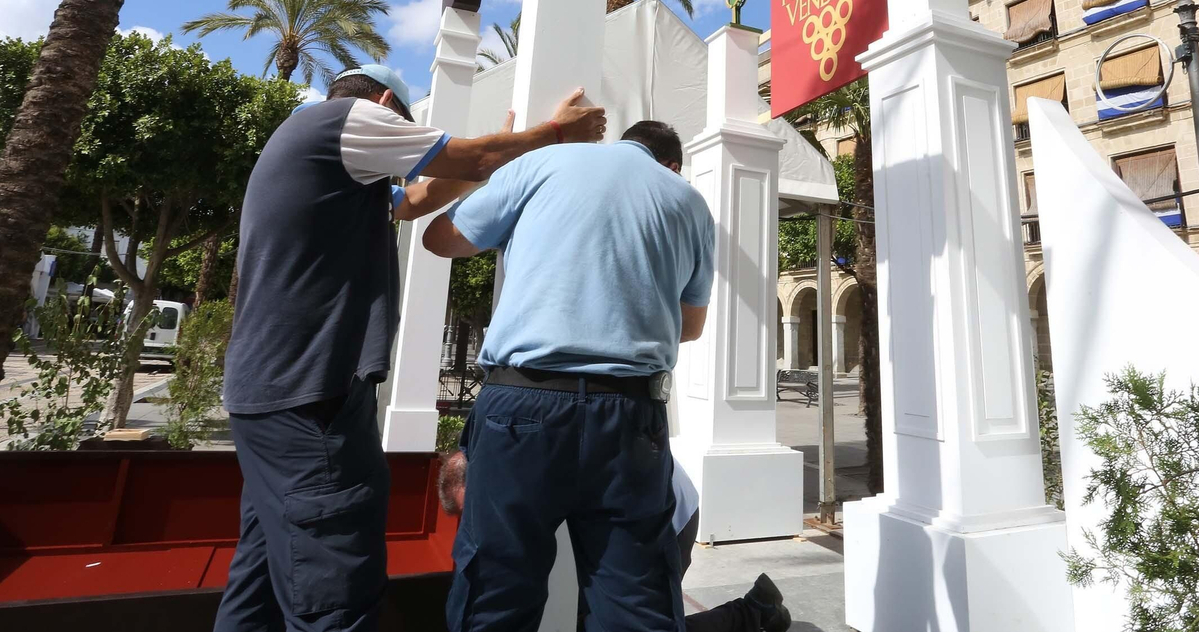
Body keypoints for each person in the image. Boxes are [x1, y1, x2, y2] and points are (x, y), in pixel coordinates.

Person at [213, 65, 606, 632]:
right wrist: (553, 132)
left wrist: (494, 157)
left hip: (272, 397)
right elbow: (466, 157)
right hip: (308, 398)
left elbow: (418, 198)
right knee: (334, 588)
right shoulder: (342, 120)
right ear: (383, 103)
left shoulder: (327, 165)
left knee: (261, 578)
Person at [423, 120, 714, 632]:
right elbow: (690, 327)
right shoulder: (687, 201)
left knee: (493, 593)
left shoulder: (538, 165)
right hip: (630, 414)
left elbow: (440, 239)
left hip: (522, 404)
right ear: (671, 165)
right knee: (635, 599)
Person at [436, 451, 792, 632]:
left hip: (670, 517)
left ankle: (752, 610)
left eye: (475, 513)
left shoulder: (527, 468)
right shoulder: (506, 466)